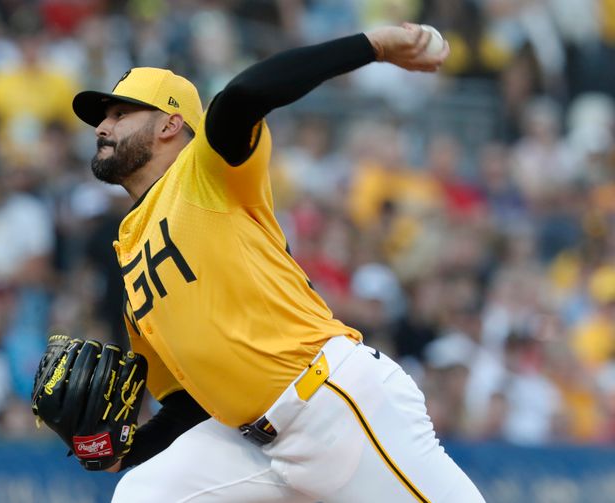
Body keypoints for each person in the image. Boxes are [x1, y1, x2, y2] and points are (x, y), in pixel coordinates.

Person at [71, 23, 485, 502]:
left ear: (169, 124)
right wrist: (125, 450)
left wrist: (373, 46)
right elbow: (188, 405)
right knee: (142, 495)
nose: (102, 127)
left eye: (121, 114)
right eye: (104, 118)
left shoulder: (205, 171)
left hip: (332, 404)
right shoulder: (129, 251)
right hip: (252, 444)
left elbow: (245, 94)